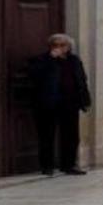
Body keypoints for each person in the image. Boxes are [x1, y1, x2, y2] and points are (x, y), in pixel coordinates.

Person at [29, 34, 91, 176]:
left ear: (69, 47)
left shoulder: (74, 61)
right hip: (49, 103)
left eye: (62, 45)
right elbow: (35, 76)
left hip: (70, 103)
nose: (59, 48)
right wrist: (51, 59)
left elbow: (82, 80)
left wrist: (85, 100)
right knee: (47, 136)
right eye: (55, 45)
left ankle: (68, 165)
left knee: (71, 135)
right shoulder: (42, 60)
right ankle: (47, 166)